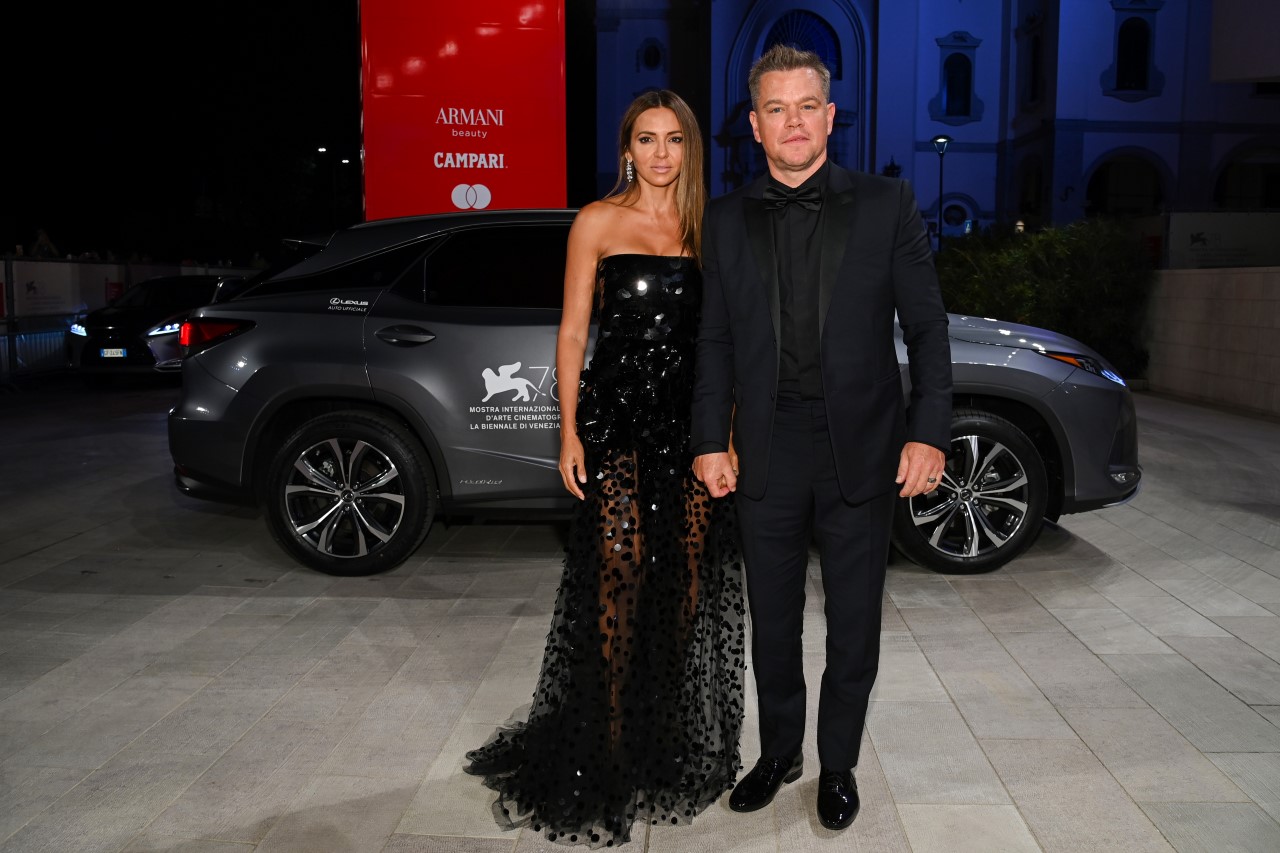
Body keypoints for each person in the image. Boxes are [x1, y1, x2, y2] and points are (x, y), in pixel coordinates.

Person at [464, 89, 746, 847]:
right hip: (616, 419)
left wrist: (724, 434)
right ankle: (610, 736)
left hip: (688, 426)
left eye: (674, 139)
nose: (661, 153)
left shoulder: (708, 229)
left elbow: (724, 342)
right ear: (627, 149)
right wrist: (568, 434)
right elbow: (572, 333)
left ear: (690, 149)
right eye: (646, 139)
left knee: (684, 577)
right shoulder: (595, 221)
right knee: (618, 566)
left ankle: (661, 727)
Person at [690, 44, 953, 831]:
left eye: (807, 106)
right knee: (772, 619)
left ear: (830, 116)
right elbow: (715, 340)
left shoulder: (886, 203)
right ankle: (780, 752)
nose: (793, 121)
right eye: (777, 108)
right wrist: (709, 438)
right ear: (755, 125)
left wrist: (929, 433)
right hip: (766, 446)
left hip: (862, 447)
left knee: (854, 619)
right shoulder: (726, 220)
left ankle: (837, 763)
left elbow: (927, 328)